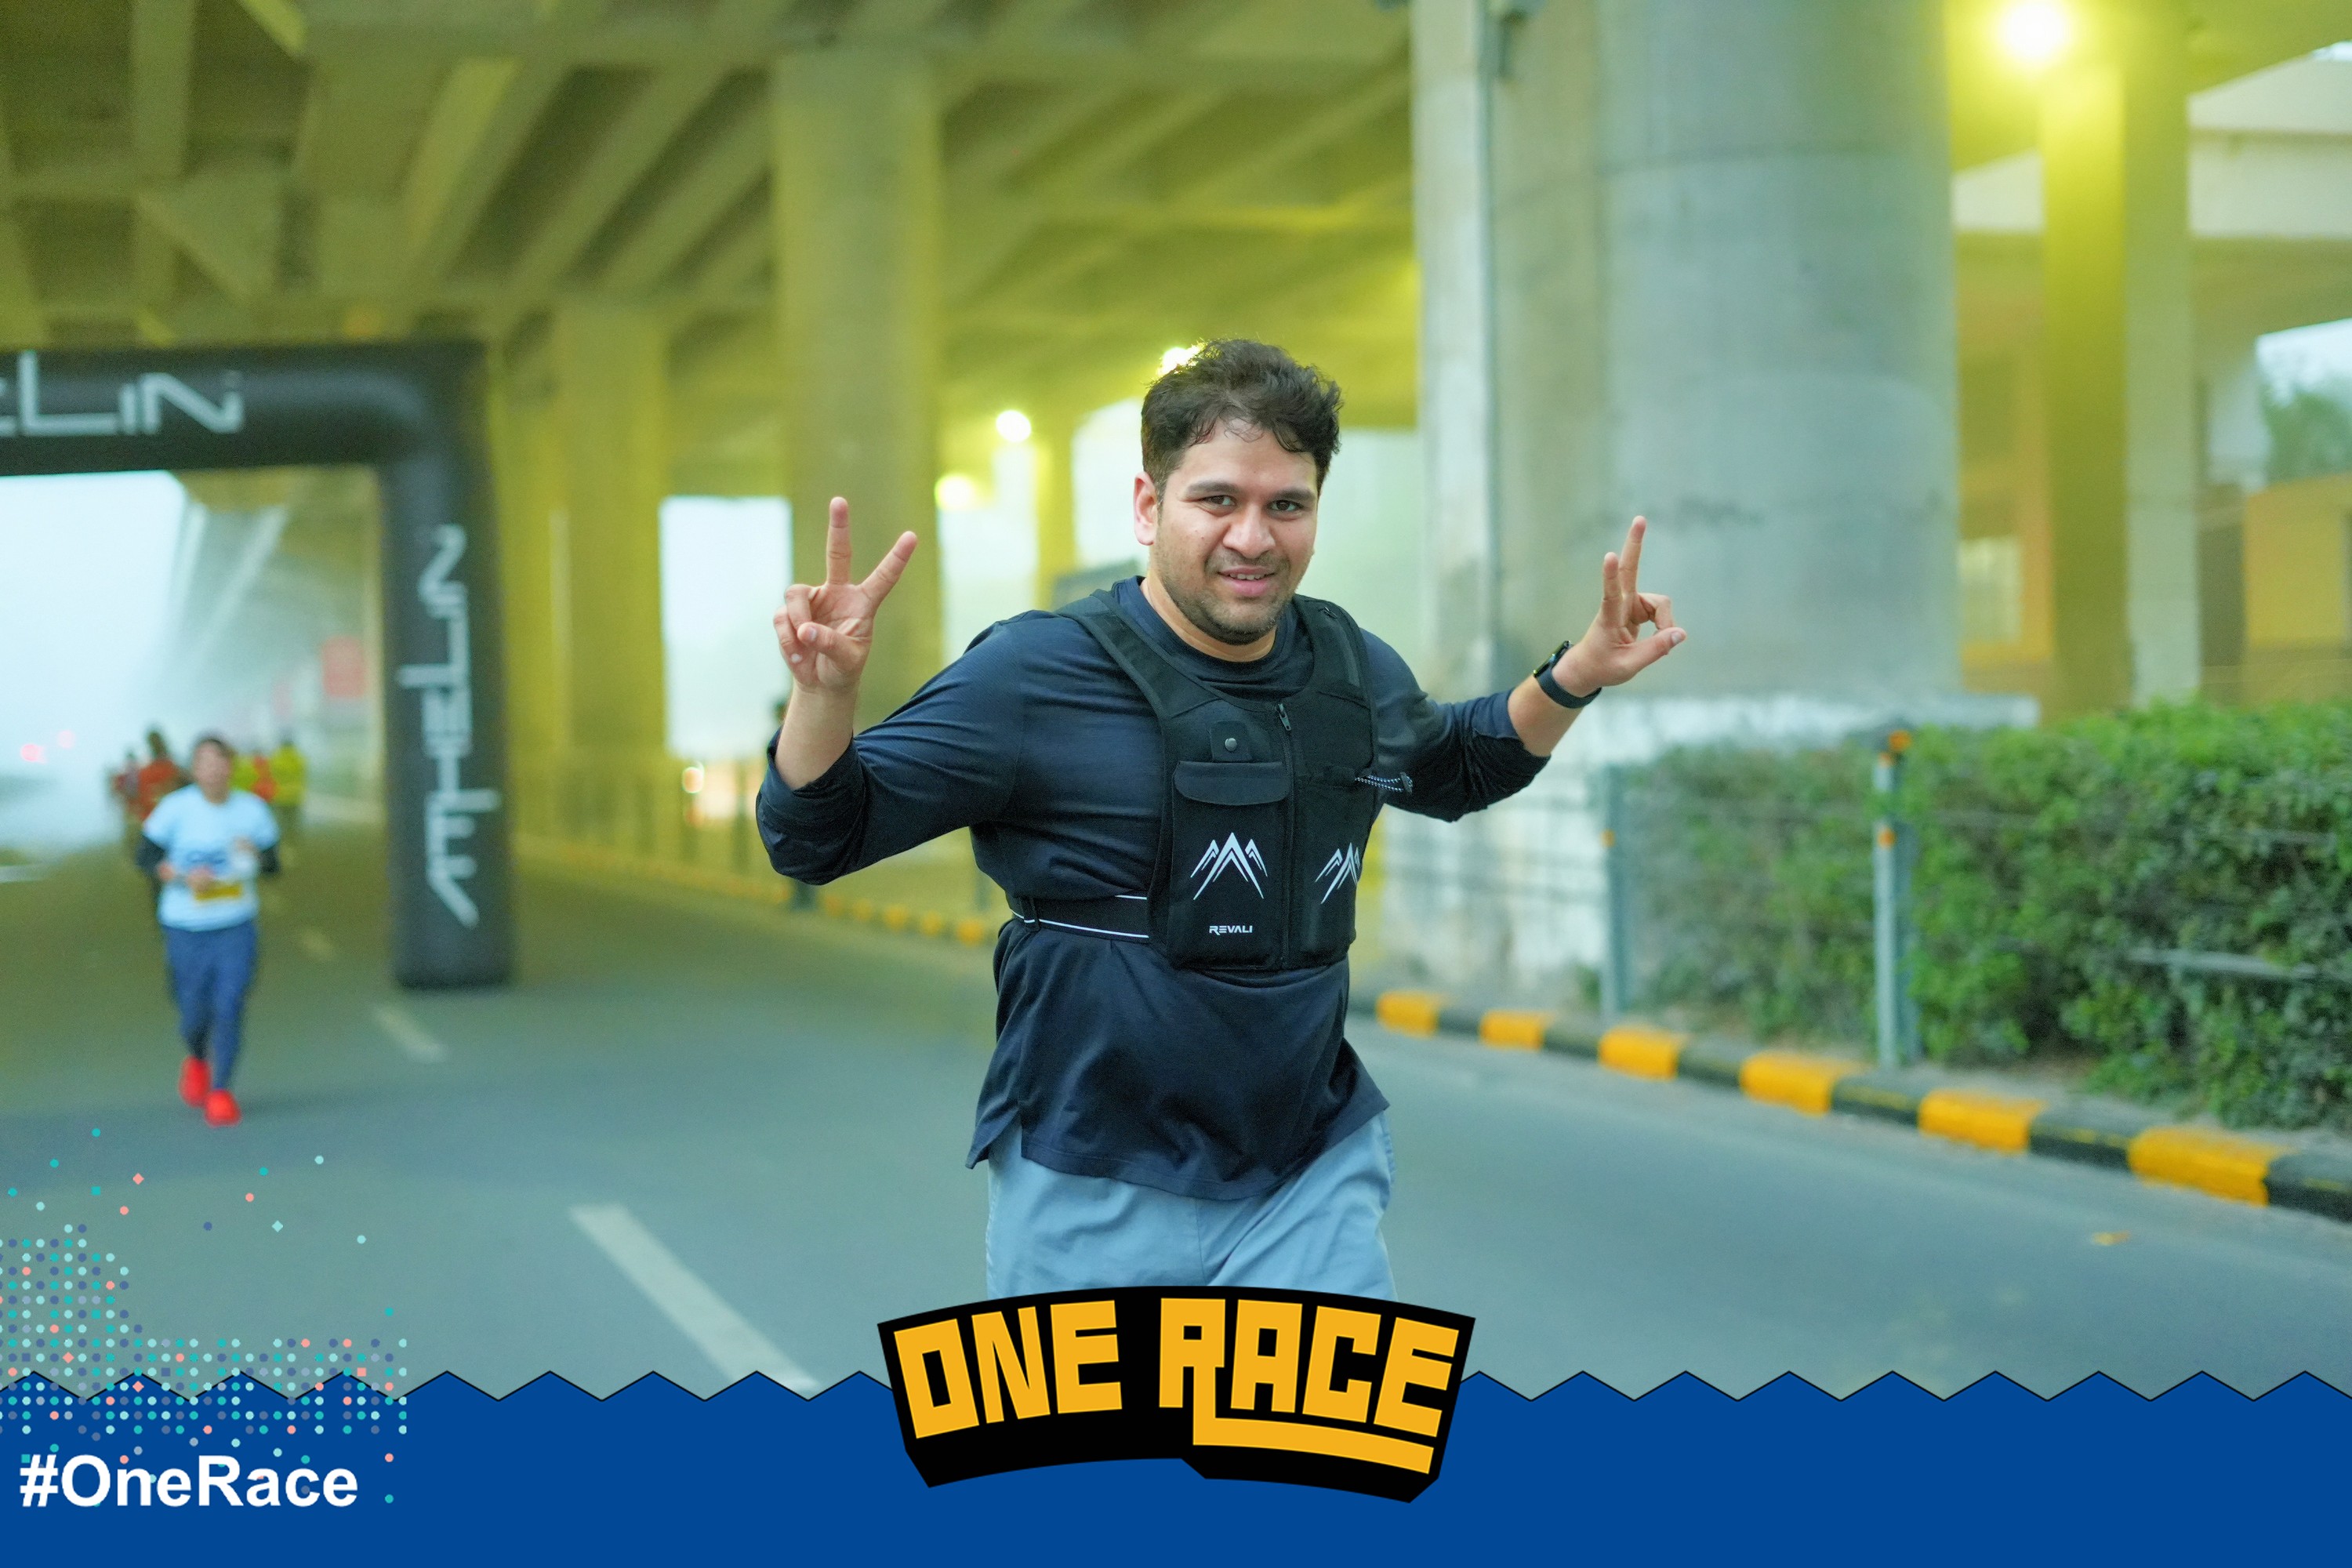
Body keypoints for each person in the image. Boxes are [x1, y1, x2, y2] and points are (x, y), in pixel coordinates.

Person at [759, 339, 1685, 1298]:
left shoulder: (1349, 665)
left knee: (1324, 1406)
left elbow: (1458, 765)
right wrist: (825, 696)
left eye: (1287, 505)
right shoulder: (1034, 672)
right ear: (1148, 506)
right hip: (1092, 1173)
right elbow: (816, 836)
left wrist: (1577, 672)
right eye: (1217, 500)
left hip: (1307, 1169)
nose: (1254, 536)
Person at [136, 734, 282, 1127]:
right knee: (193, 1013)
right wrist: (178, 875)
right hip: (185, 926)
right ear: (195, 770)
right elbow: (145, 856)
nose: (214, 771)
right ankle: (198, 1059)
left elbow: (274, 865)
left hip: (235, 925)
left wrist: (257, 855)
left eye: (221, 763)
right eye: (205, 764)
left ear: (231, 768)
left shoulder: (252, 811)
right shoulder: (175, 809)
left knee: (230, 1004)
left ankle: (221, 1091)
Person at [268, 735, 308, 838]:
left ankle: (283, 837)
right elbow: (303, 773)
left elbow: (272, 774)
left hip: (281, 794)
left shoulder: (277, 758)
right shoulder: (299, 758)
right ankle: (294, 836)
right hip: (296, 794)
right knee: (293, 819)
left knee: (282, 820)